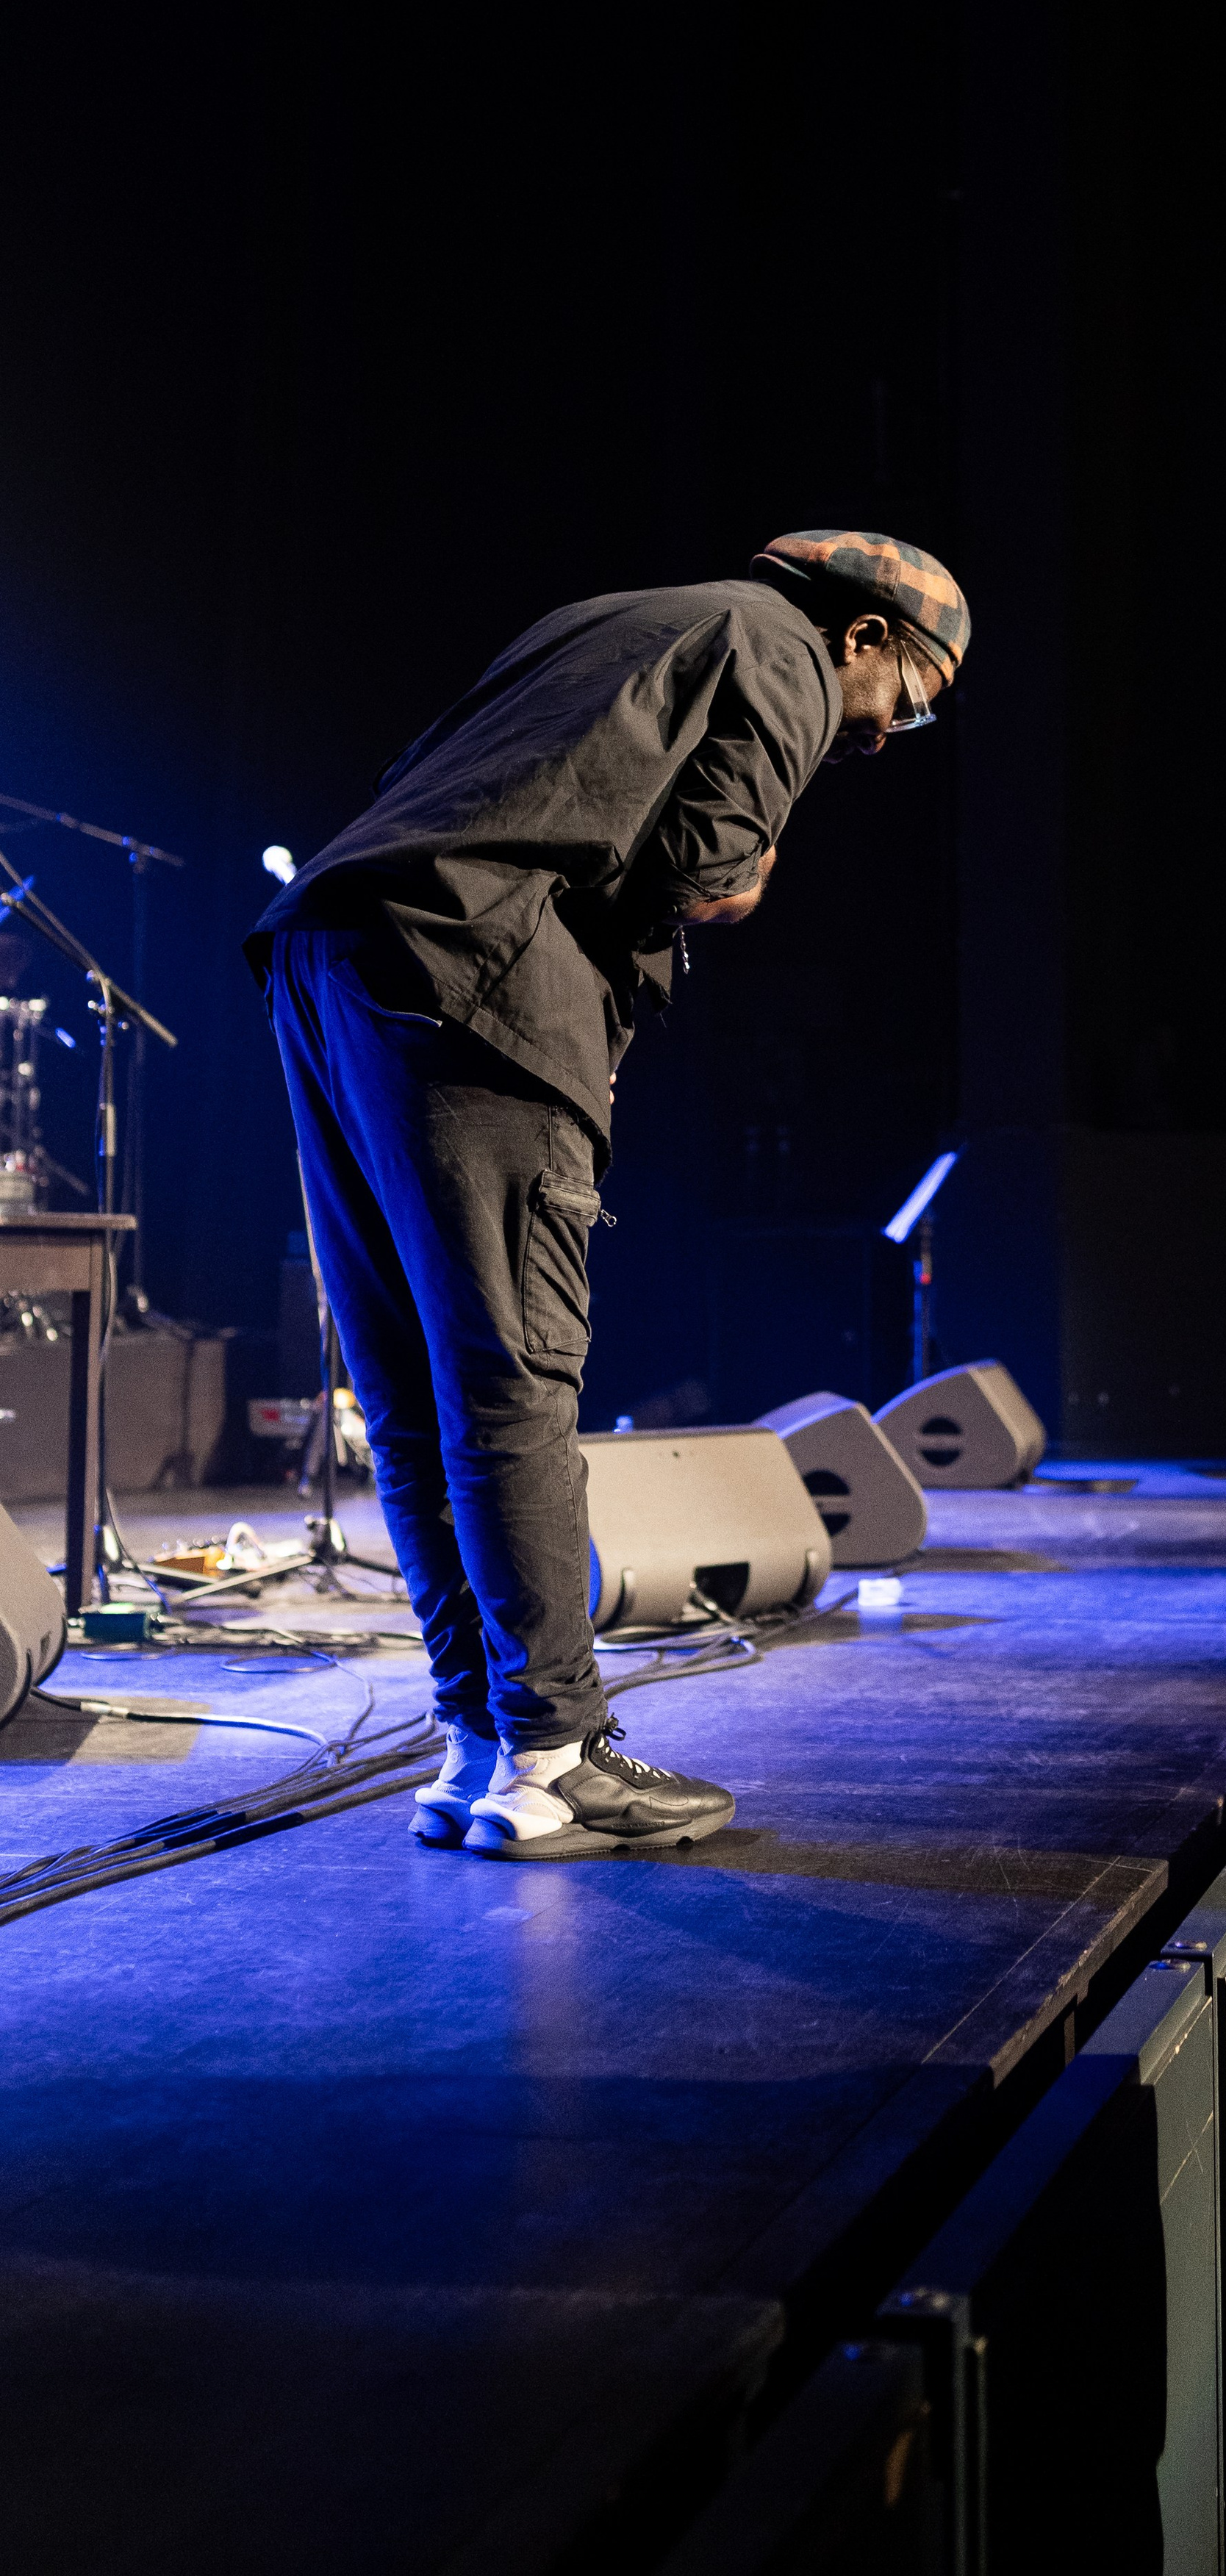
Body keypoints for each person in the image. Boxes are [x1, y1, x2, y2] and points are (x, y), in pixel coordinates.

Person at [248, 529, 969, 1861]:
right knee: (516, 1377)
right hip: (479, 987)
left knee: (418, 1390)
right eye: (908, 700)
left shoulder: (613, 615)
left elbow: (428, 772)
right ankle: (555, 1760)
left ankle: (480, 1740)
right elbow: (711, 874)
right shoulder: (783, 650)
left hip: (337, 958)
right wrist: (750, 869)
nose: (885, 735)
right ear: (865, 636)